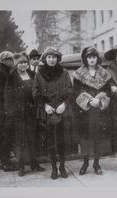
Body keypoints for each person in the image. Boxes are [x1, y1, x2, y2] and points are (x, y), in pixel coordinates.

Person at [33, 47, 73, 180]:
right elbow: (36, 92)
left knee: (62, 141)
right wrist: (45, 105)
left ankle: (62, 166)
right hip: (47, 112)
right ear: (45, 59)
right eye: (49, 57)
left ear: (57, 59)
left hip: (62, 111)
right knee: (51, 141)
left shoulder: (64, 72)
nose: (51, 60)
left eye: (54, 57)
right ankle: (54, 168)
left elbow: (70, 90)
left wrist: (64, 104)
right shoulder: (39, 74)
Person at [73, 46, 113, 175]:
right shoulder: (79, 74)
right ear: (85, 59)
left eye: (94, 57)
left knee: (98, 137)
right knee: (85, 138)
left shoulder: (104, 73)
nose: (92, 60)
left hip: (100, 111)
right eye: (89, 57)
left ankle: (96, 164)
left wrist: (100, 99)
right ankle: (85, 163)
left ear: (97, 58)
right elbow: (76, 91)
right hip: (85, 112)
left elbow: (108, 91)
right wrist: (89, 100)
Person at [4, 51, 45, 176]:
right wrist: (13, 111)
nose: (23, 65)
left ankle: (34, 163)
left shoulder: (32, 74)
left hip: (32, 112)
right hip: (19, 114)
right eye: (21, 63)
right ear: (16, 64)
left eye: (25, 63)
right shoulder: (11, 77)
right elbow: (7, 96)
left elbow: (37, 90)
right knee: (21, 141)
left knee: (33, 138)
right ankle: (21, 166)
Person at [0, 51, 17, 172]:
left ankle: (3, 162)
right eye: (11, 59)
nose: (13, 61)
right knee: (5, 138)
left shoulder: (5, 72)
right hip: (2, 112)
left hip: (3, 111)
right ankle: (6, 163)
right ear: (5, 61)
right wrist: (5, 111)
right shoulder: (0, 74)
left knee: (4, 138)